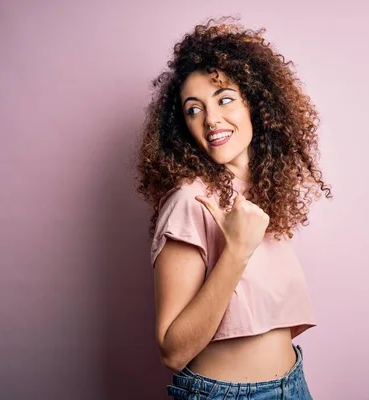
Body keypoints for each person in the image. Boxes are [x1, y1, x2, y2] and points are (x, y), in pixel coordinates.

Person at [135, 15, 332, 399]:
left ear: (256, 105)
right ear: (181, 127)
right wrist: (237, 251)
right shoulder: (191, 200)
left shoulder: (264, 193)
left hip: (293, 385)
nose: (211, 119)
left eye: (225, 99)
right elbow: (172, 351)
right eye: (194, 109)